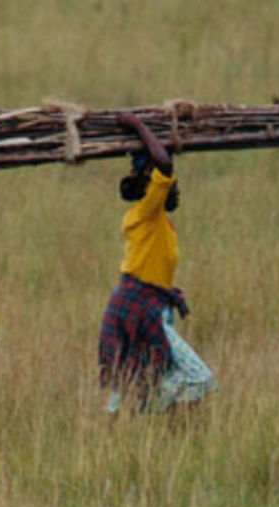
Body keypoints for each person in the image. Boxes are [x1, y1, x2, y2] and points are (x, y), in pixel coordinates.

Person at [98, 111, 216, 417]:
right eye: (167, 184)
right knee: (199, 377)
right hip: (139, 308)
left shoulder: (159, 221)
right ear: (152, 186)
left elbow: (150, 266)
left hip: (147, 306)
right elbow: (164, 163)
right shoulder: (147, 212)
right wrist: (136, 124)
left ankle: (152, 439)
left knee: (141, 383)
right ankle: (163, 431)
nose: (174, 186)